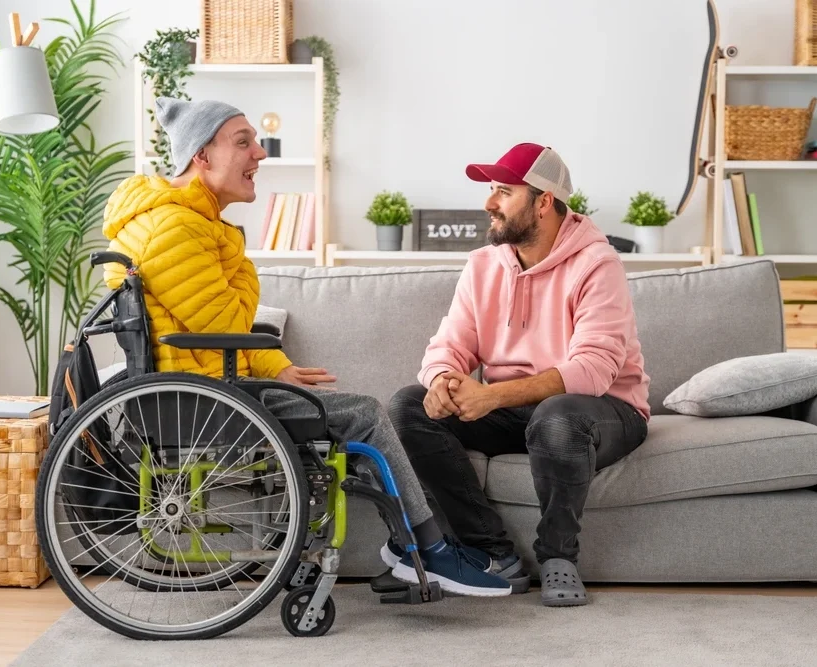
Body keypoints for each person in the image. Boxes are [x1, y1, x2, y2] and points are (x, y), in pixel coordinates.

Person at [99, 96, 512, 597]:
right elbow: (228, 324)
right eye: (242, 142)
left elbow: (225, 326)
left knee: (354, 417)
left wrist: (276, 368)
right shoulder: (177, 227)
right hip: (201, 401)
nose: (259, 154)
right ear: (201, 157)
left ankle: (414, 545)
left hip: (200, 391)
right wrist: (239, 262)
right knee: (365, 411)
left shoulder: (186, 223)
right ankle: (430, 550)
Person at [388, 142, 651, 607]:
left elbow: (593, 369)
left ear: (544, 201)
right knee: (407, 406)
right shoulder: (483, 265)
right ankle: (492, 554)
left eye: (503, 191)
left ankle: (558, 558)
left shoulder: (597, 263)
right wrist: (442, 381)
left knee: (558, 415)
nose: (489, 203)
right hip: (515, 412)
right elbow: (449, 344)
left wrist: (491, 396)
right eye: (491, 190)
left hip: (604, 412)